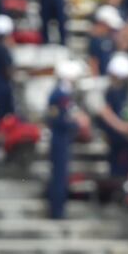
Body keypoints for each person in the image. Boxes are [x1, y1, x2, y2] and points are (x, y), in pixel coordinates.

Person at [47, 61, 89, 219]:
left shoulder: (64, 93)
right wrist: (75, 123)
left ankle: (59, 209)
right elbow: (57, 119)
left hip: (63, 138)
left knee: (62, 175)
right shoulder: (59, 94)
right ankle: (57, 211)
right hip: (59, 138)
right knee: (59, 175)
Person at [98, 54, 128, 180]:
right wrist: (122, 127)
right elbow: (106, 112)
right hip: (116, 136)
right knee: (116, 168)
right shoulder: (111, 91)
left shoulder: (127, 90)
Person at [88, 6, 124, 76]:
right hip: (102, 77)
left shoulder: (110, 38)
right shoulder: (95, 40)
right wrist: (96, 78)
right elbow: (93, 61)